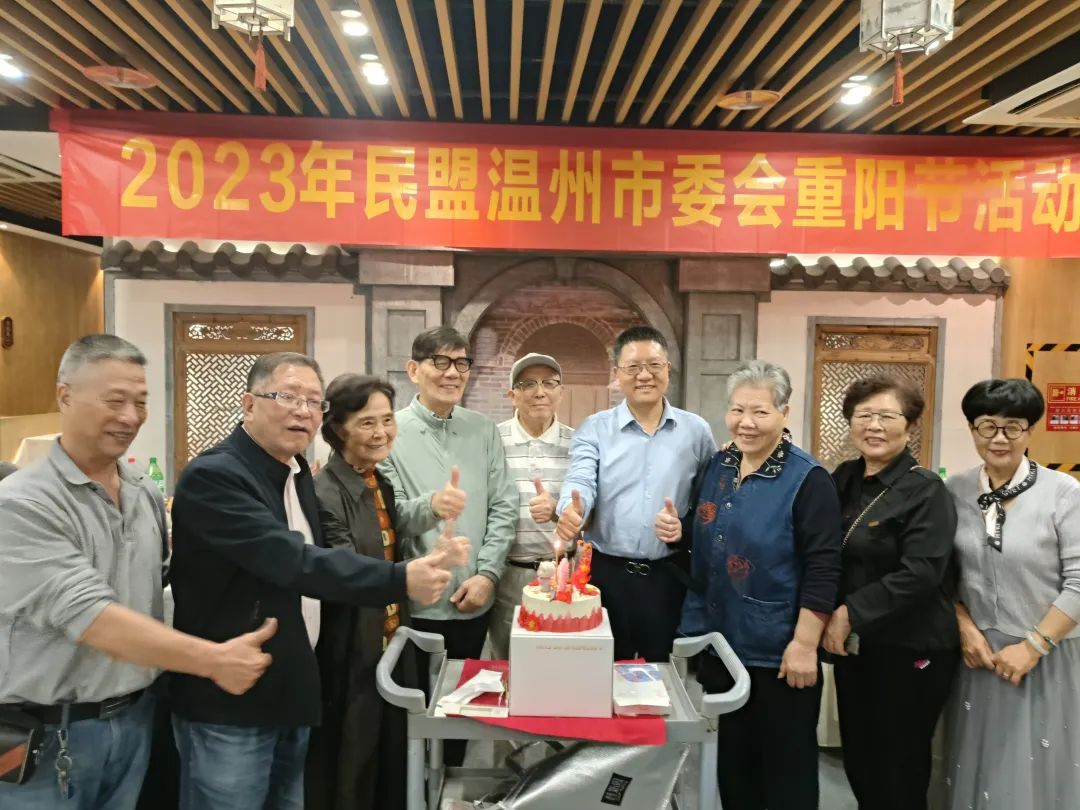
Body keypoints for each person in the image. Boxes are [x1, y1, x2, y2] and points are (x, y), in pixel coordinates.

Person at [168, 352, 467, 810]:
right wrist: (401, 578)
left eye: (313, 401)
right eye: (287, 397)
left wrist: (425, 559)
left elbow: (325, 561)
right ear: (249, 404)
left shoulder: (295, 473)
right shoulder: (216, 476)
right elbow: (295, 561)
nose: (302, 411)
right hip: (233, 700)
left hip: (291, 689)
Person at [0, 335, 274, 810]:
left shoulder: (143, 491)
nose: (130, 416)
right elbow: (93, 618)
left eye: (141, 402)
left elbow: (160, 584)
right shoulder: (23, 504)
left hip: (134, 722)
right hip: (49, 737)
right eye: (115, 401)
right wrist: (213, 660)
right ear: (65, 395)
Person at [680, 359, 842, 810]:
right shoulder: (719, 465)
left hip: (778, 652)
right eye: (737, 410)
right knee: (734, 770)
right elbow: (705, 533)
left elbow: (824, 567)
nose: (746, 422)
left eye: (760, 411)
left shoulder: (808, 480)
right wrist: (677, 531)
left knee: (785, 774)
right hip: (720, 644)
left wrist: (805, 644)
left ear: (784, 413)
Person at [379, 326, 518, 766]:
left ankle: (449, 787)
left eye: (461, 363)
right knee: (412, 722)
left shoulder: (483, 430)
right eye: (440, 362)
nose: (452, 372)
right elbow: (389, 515)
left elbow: (504, 505)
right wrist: (432, 506)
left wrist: (488, 574)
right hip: (415, 604)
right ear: (413, 370)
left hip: (472, 598)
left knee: (461, 715)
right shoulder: (390, 431)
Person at [822, 375, 960, 810]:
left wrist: (849, 613)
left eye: (886, 416)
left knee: (898, 764)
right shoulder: (844, 478)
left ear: (909, 425)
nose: (874, 426)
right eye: (864, 415)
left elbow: (922, 571)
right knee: (861, 757)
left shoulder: (925, 489)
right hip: (858, 647)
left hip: (911, 647)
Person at [942, 379, 1080, 809]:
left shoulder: (1064, 493)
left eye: (1013, 427)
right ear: (972, 429)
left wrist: (1033, 647)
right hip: (978, 656)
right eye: (987, 425)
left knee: (1040, 772)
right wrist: (964, 627)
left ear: (1030, 430)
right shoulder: (953, 491)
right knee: (979, 767)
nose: (999, 438)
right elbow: (943, 574)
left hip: (1048, 654)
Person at [305, 374, 435, 810]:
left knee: (393, 758)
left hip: (391, 641)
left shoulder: (380, 481)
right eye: (367, 423)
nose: (381, 432)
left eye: (387, 420)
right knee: (353, 762)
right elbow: (345, 570)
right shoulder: (325, 491)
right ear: (338, 428)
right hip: (351, 650)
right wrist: (409, 575)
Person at [555, 325, 715, 661]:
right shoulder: (595, 428)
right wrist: (572, 510)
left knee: (664, 675)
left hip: (668, 577)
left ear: (668, 369)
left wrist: (683, 528)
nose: (644, 375)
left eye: (654, 365)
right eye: (633, 367)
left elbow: (709, 502)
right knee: (602, 672)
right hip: (605, 577)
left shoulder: (696, 431)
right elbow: (581, 479)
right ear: (617, 374)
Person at [489, 352, 574, 660]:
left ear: (561, 391)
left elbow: (591, 512)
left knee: (563, 659)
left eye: (549, 383)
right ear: (512, 395)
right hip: (510, 574)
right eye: (528, 384)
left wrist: (556, 511)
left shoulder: (579, 443)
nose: (540, 392)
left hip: (565, 572)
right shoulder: (492, 440)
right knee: (508, 661)